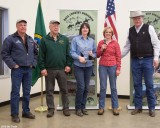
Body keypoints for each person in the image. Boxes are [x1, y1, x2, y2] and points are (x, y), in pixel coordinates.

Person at [122, 10, 160, 117]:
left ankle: (151, 108)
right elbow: (127, 47)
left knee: (149, 84)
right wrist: (117, 56)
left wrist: (156, 58)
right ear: (132, 20)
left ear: (142, 18)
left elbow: (156, 44)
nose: (137, 20)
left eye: (139, 18)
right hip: (135, 61)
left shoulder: (149, 28)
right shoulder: (130, 31)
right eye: (135, 18)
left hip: (148, 60)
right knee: (137, 84)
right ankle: (138, 107)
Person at [1, 19, 37, 123]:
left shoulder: (30, 39)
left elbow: (35, 53)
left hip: (28, 70)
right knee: (15, 92)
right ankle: (14, 114)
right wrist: (13, 65)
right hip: (17, 70)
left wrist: (33, 64)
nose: (23, 27)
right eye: (20, 25)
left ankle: (26, 111)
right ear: (17, 26)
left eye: (25, 25)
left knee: (27, 92)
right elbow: (4, 54)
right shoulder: (10, 39)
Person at [38, 20, 72, 117]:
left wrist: (69, 65)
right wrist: (42, 68)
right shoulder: (44, 40)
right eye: (54, 25)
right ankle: (51, 109)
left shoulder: (64, 39)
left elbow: (68, 54)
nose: (56, 27)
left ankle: (66, 108)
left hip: (62, 70)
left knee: (64, 90)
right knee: (49, 91)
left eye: (57, 26)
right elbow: (41, 56)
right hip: (49, 70)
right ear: (50, 27)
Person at [70, 22, 96, 117]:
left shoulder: (92, 41)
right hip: (78, 66)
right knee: (81, 87)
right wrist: (79, 57)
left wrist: (92, 55)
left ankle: (83, 107)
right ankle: (78, 108)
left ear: (88, 30)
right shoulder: (75, 40)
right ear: (81, 29)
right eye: (83, 27)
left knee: (86, 88)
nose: (85, 29)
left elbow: (95, 53)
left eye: (87, 28)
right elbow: (72, 52)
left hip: (89, 66)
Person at [97, 26, 121, 116]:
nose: (108, 34)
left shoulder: (115, 43)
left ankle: (115, 107)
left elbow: (118, 57)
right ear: (104, 33)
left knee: (113, 87)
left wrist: (118, 68)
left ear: (112, 34)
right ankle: (101, 107)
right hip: (102, 66)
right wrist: (101, 49)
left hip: (112, 66)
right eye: (106, 32)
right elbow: (98, 55)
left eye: (109, 32)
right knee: (103, 87)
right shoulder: (100, 42)